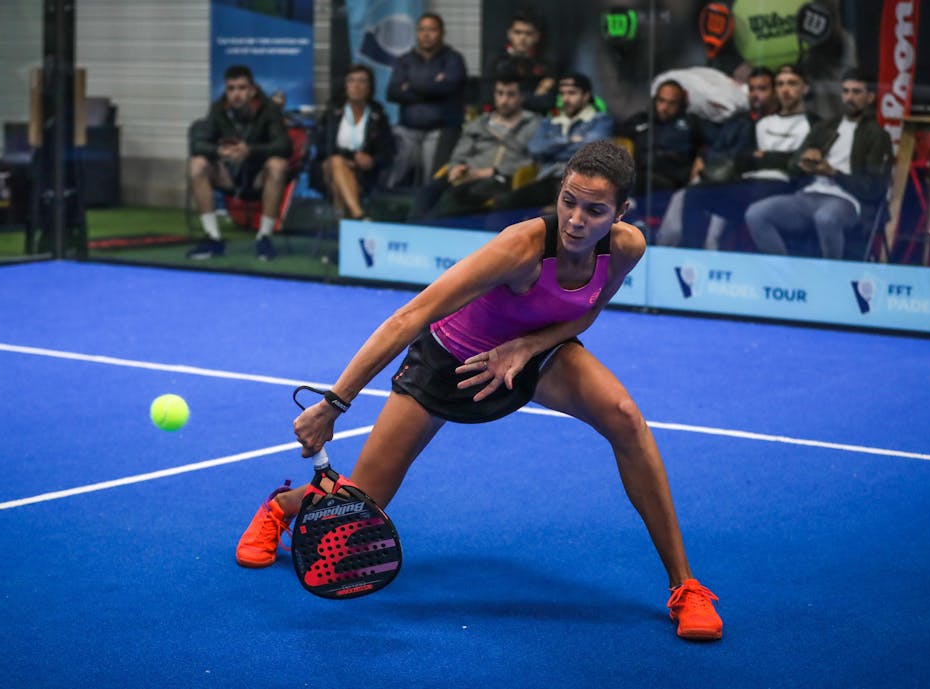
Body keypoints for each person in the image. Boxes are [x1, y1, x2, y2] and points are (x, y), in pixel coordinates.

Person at [235, 140, 725, 642]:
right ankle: (283, 507)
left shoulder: (626, 247)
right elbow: (411, 315)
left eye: (595, 210)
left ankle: (685, 587)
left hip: (537, 352)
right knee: (364, 501)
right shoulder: (520, 248)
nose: (577, 219)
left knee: (625, 416)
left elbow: (587, 310)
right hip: (451, 361)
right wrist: (334, 403)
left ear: (621, 212)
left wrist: (525, 347)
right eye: (568, 202)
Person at [745, 70, 892, 259]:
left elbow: (873, 188)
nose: (849, 98)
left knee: (826, 218)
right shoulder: (825, 126)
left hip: (847, 199)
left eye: (856, 92)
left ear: (870, 97)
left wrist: (833, 173)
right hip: (809, 193)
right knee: (756, 213)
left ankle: (828, 276)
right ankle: (784, 273)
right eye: (846, 91)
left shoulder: (877, 135)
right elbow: (792, 167)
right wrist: (805, 161)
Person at [679, 63, 814, 250]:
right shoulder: (762, 123)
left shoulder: (814, 124)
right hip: (748, 184)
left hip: (783, 187)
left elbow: (798, 163)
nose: (785, 90)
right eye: (781, 84)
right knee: (695, 195)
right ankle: (690, 259)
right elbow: (745, 158)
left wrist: (766, 157)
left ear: (804, 88)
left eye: (791, 84)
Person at [658, 66, 778, 249]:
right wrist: (703, 156)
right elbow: (716, 146)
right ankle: (678, 257)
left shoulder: (775, 123)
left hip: (747, 187)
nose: (755, 95)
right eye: (752, 89)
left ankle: (710, 266)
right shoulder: (738, 120)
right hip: (717, 179)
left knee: (714, 233)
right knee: (686, 198)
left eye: (762, 89)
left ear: (774, 92)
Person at [187, 64, 291, 261]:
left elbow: (284, 146)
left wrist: (250, 151)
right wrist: (219, 151)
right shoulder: (218, 108)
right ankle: (213, 238)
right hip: (228, 173)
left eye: (242, 88)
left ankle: (264, 237)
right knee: (197, 164)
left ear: (252, 90)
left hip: (258, 175)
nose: (236, 94)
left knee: (278, 165)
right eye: (231, 89)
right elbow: (198, 144)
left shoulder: (269, 109)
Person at [409, 73, 540, 221]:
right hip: (466, 174)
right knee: (427, 192)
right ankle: (413, 234)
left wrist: (492, 171)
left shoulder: (533, 124)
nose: (504, 100)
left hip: (500, 178)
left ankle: (433, 233)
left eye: (511, 95)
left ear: (521, 97)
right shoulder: (480, 123)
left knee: (457, 196)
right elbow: (459, 154)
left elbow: (532, 161)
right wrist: (456, 167)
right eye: (500, 93)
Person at [491, 72, 613, 212]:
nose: (566, 99)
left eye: (572, 93)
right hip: (548, 179)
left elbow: (590, 149)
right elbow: (535, 148)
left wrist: (552, 147)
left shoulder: (600, 120)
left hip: (582, 181)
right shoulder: (550, 122)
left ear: (586, 96)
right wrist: (569, 140)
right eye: (562, 94)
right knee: (503, 203)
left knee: (559, 208)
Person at [384, 12, 468, 189]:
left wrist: (410, 86)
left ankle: (429, 213)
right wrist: (432, 86)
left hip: (439, 131)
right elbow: (392, 93)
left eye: (432, 30)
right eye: (422, 30)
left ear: (442, 33)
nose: (426, 34)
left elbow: (448, 88)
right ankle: (385, 206)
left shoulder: (453, 59)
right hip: (407, 130)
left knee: (433, 181)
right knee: (393, 172)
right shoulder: (404, 61)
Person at [309, 64, 395, 222]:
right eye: (351, 81)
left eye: (362, 81)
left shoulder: (378, 115)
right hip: (325, 169)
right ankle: (359, 216)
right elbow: (321, 145)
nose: (356, 86)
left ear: (370, 87)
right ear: (345, 86)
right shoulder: (333, 111)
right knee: (337, 162)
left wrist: (372, 160)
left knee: (338, 184)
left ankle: (343, 223)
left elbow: (388, 151)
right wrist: (351, 156)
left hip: (362, 173)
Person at [482, 9, 557, 115]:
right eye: (518, 32)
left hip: (534, 120)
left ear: (537, 37)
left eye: (528, 34)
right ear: (509, 34)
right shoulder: (496, 60)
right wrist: (534, 95)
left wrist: (510, 97)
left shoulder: (545, 63)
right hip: (501, 119)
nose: (522, 38)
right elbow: (488, 97)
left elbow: (548, 102)